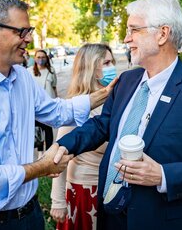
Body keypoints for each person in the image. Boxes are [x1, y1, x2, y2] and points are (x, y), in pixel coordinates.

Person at [0, 0, 115, 230]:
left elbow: (56, 111)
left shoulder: (22, 78)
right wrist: (43, 167)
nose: (29, 39)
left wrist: (104, 94)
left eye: (30, 30)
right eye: (22, 32)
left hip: (29, 215)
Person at [54, 0, 182, 230]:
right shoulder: (127, 81)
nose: (126, 38)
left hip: (164, 220)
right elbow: (103, 125)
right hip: (113, 214)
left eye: (133, 30)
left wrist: (163, 175)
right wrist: (65, 145)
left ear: (162, 34)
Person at [50, 43, 117, 230]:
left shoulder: (113, 102)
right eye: (107, 63)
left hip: (108, 187)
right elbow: (60, 155)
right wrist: (57, 202)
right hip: (85, 190)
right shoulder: (77, 107)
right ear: (92, 69)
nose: (113, 67)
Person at [29, 49, 57, 158]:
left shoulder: (51, 71)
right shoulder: (29, 71)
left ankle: (48, 153)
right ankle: (40, 152)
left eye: (43, 57)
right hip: (35, 106)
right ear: (35, 59)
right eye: (38, 57)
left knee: (48, 130)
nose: (41, 59)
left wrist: (56, 99)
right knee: (38, 130)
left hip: (48, 105)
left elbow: (54, 86)